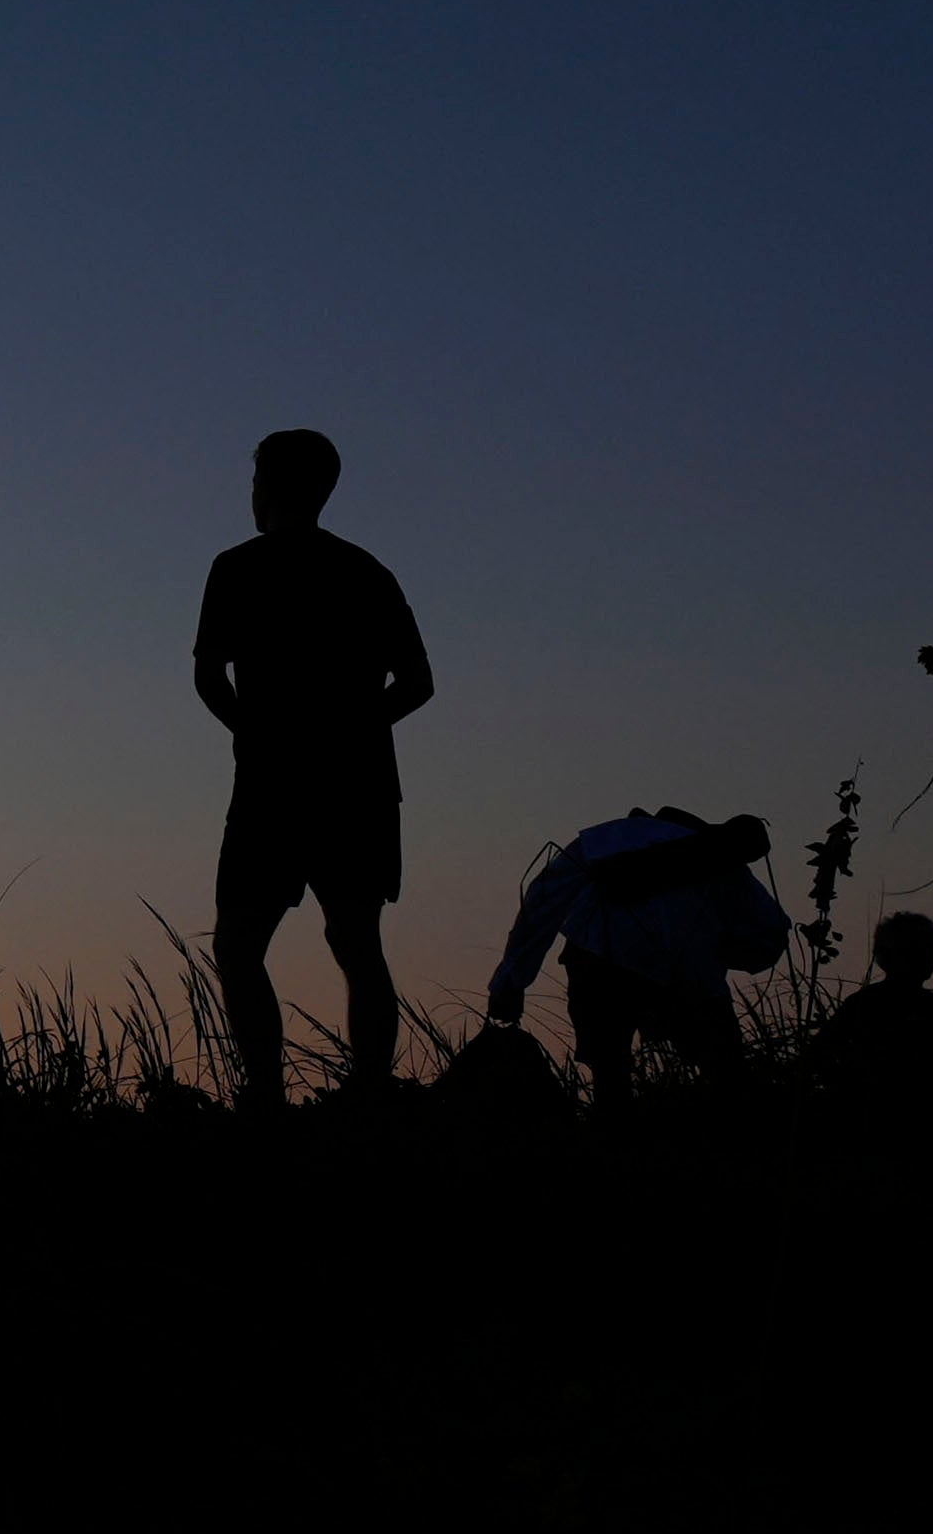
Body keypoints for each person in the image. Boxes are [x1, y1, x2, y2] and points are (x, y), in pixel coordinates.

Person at [190, 428, 434, 1104]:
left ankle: (266, 1095)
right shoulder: (368, 572)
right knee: (356, 940)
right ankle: (371, 1093)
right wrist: (353, 728)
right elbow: (417, 683)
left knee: (238, 944)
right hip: (357, 784)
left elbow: (209, 676)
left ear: (264, 487)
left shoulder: (236, 566)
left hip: (271, 786)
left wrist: (254, 733)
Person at [484, 806, 788, 1109]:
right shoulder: (725, 862)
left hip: (601, 966)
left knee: (610, 1075)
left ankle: (616, 1140)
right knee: (727, 1076)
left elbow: (544, 902)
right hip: (692, 979)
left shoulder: (609, 837)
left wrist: (510, 983)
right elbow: (770, 938)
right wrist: (720, 953)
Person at [819, 910, 933, 1104]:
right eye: (916, 951)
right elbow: (822, 1049)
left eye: (928, 950)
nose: (928, 959)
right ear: (888, 957)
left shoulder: (928, 1004)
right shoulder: (864, 1003)